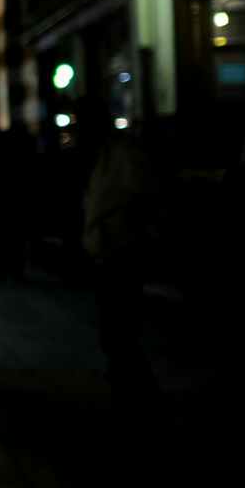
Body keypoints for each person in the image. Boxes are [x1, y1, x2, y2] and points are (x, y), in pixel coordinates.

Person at [79, 104, 158, 402]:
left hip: (122, 251)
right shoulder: (104, 157)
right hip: (110, 251)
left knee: (119, 328)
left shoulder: (122, 156)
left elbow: (142, 196)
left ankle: (135, 388)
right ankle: (129, 383)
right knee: (114, 329)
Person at [0, 124, 37, 280]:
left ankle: (4, 268)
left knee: (2, 238)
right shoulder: (23, 155)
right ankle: (13, 269)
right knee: (15, 239)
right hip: (11, 206)